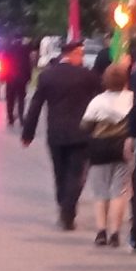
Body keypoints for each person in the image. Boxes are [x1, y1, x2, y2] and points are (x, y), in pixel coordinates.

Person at [21, 40, 101, 230]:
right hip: (81, 133)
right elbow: (99, 100)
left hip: (56, 133)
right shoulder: (88, 76)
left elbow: (36, 105)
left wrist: (28, 133)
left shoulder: (47, 76)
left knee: (60, 172)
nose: (82, 58)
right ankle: (68, 211)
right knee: (76, 174)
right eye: (80, 54)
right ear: (72, 54)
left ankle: (63, 205)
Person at [82, 61, 135, 247]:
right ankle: (115, 233)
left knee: (100, 191)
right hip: (122, 148)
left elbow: (85, 126)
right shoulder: (132, 99)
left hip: (99, 149)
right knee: (119, 191)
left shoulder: (98, 101)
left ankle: (101, 231)